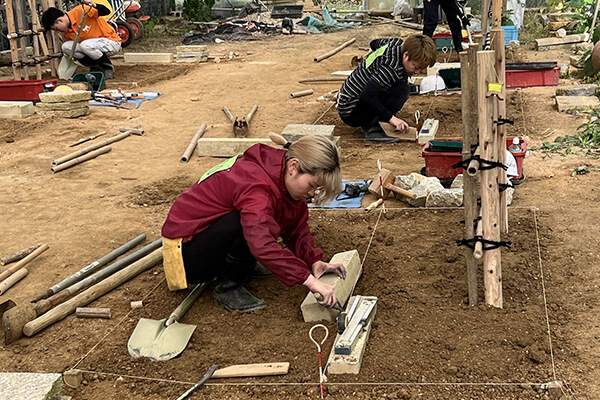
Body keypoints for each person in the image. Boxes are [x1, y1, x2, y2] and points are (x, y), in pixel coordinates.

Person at [161, 136, 347, 313]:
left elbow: (295, 226)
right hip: (186, 255)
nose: (312, 193)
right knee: (249, 224)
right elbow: (261, 243)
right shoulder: (256, 186)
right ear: (293, 166)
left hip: (208, 236)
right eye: (312, 185)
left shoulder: (279, 174)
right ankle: (228, 285)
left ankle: (242, 264)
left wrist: (313, 260)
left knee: (257, 222)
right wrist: (311, 282)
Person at [337, 34, 437, 144]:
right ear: (406, 55)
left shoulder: (396, 43)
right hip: (350, 111)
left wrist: (373, 65)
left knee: (398, 82)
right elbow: (367, 95)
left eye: (421, 69)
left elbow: (374, 43)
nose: (417, 72)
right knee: (402, 89)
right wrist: (391, 118)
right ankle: (374, 129)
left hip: (351, 99)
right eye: (416, 67)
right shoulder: (391, 69)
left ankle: (373, 120)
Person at [42, 0, 121, 79]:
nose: (58, 31)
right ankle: (95, 67)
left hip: (111, 41)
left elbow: (106, 11)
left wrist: (93, 4)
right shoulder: (67, 33)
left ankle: (107, 67)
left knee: (85, 45)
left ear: (60, 20)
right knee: (66, 47)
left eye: (56, 28)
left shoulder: (81, 11)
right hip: (93, 47)